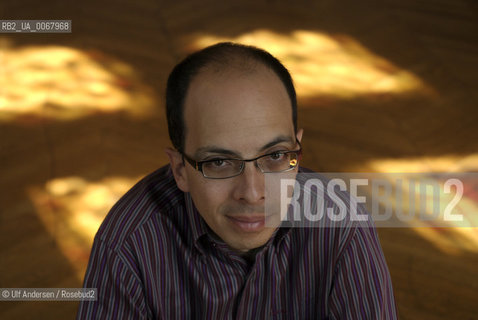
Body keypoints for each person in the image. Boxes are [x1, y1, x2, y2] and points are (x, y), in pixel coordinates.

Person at [77, 42, 397, 319]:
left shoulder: (341, 225)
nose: (253, 193)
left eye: (275, 156)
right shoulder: (129, 242)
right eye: (219, 162)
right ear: (179, 170)